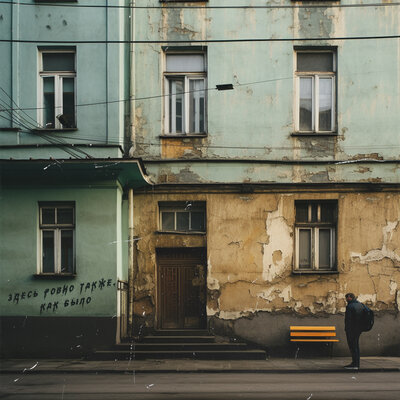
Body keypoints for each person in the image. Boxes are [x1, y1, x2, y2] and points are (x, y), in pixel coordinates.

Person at [344, 293, 365, 370]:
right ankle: (356, 363)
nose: (346, 299)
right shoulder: (360, 304)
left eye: (346, 297)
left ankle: (355, 364)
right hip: (358, 329)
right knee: (355, 346)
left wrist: (347, 329)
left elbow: (348, 320)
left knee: (353, 346)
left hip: (351, 330)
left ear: (350, 297)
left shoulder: (350, 306)